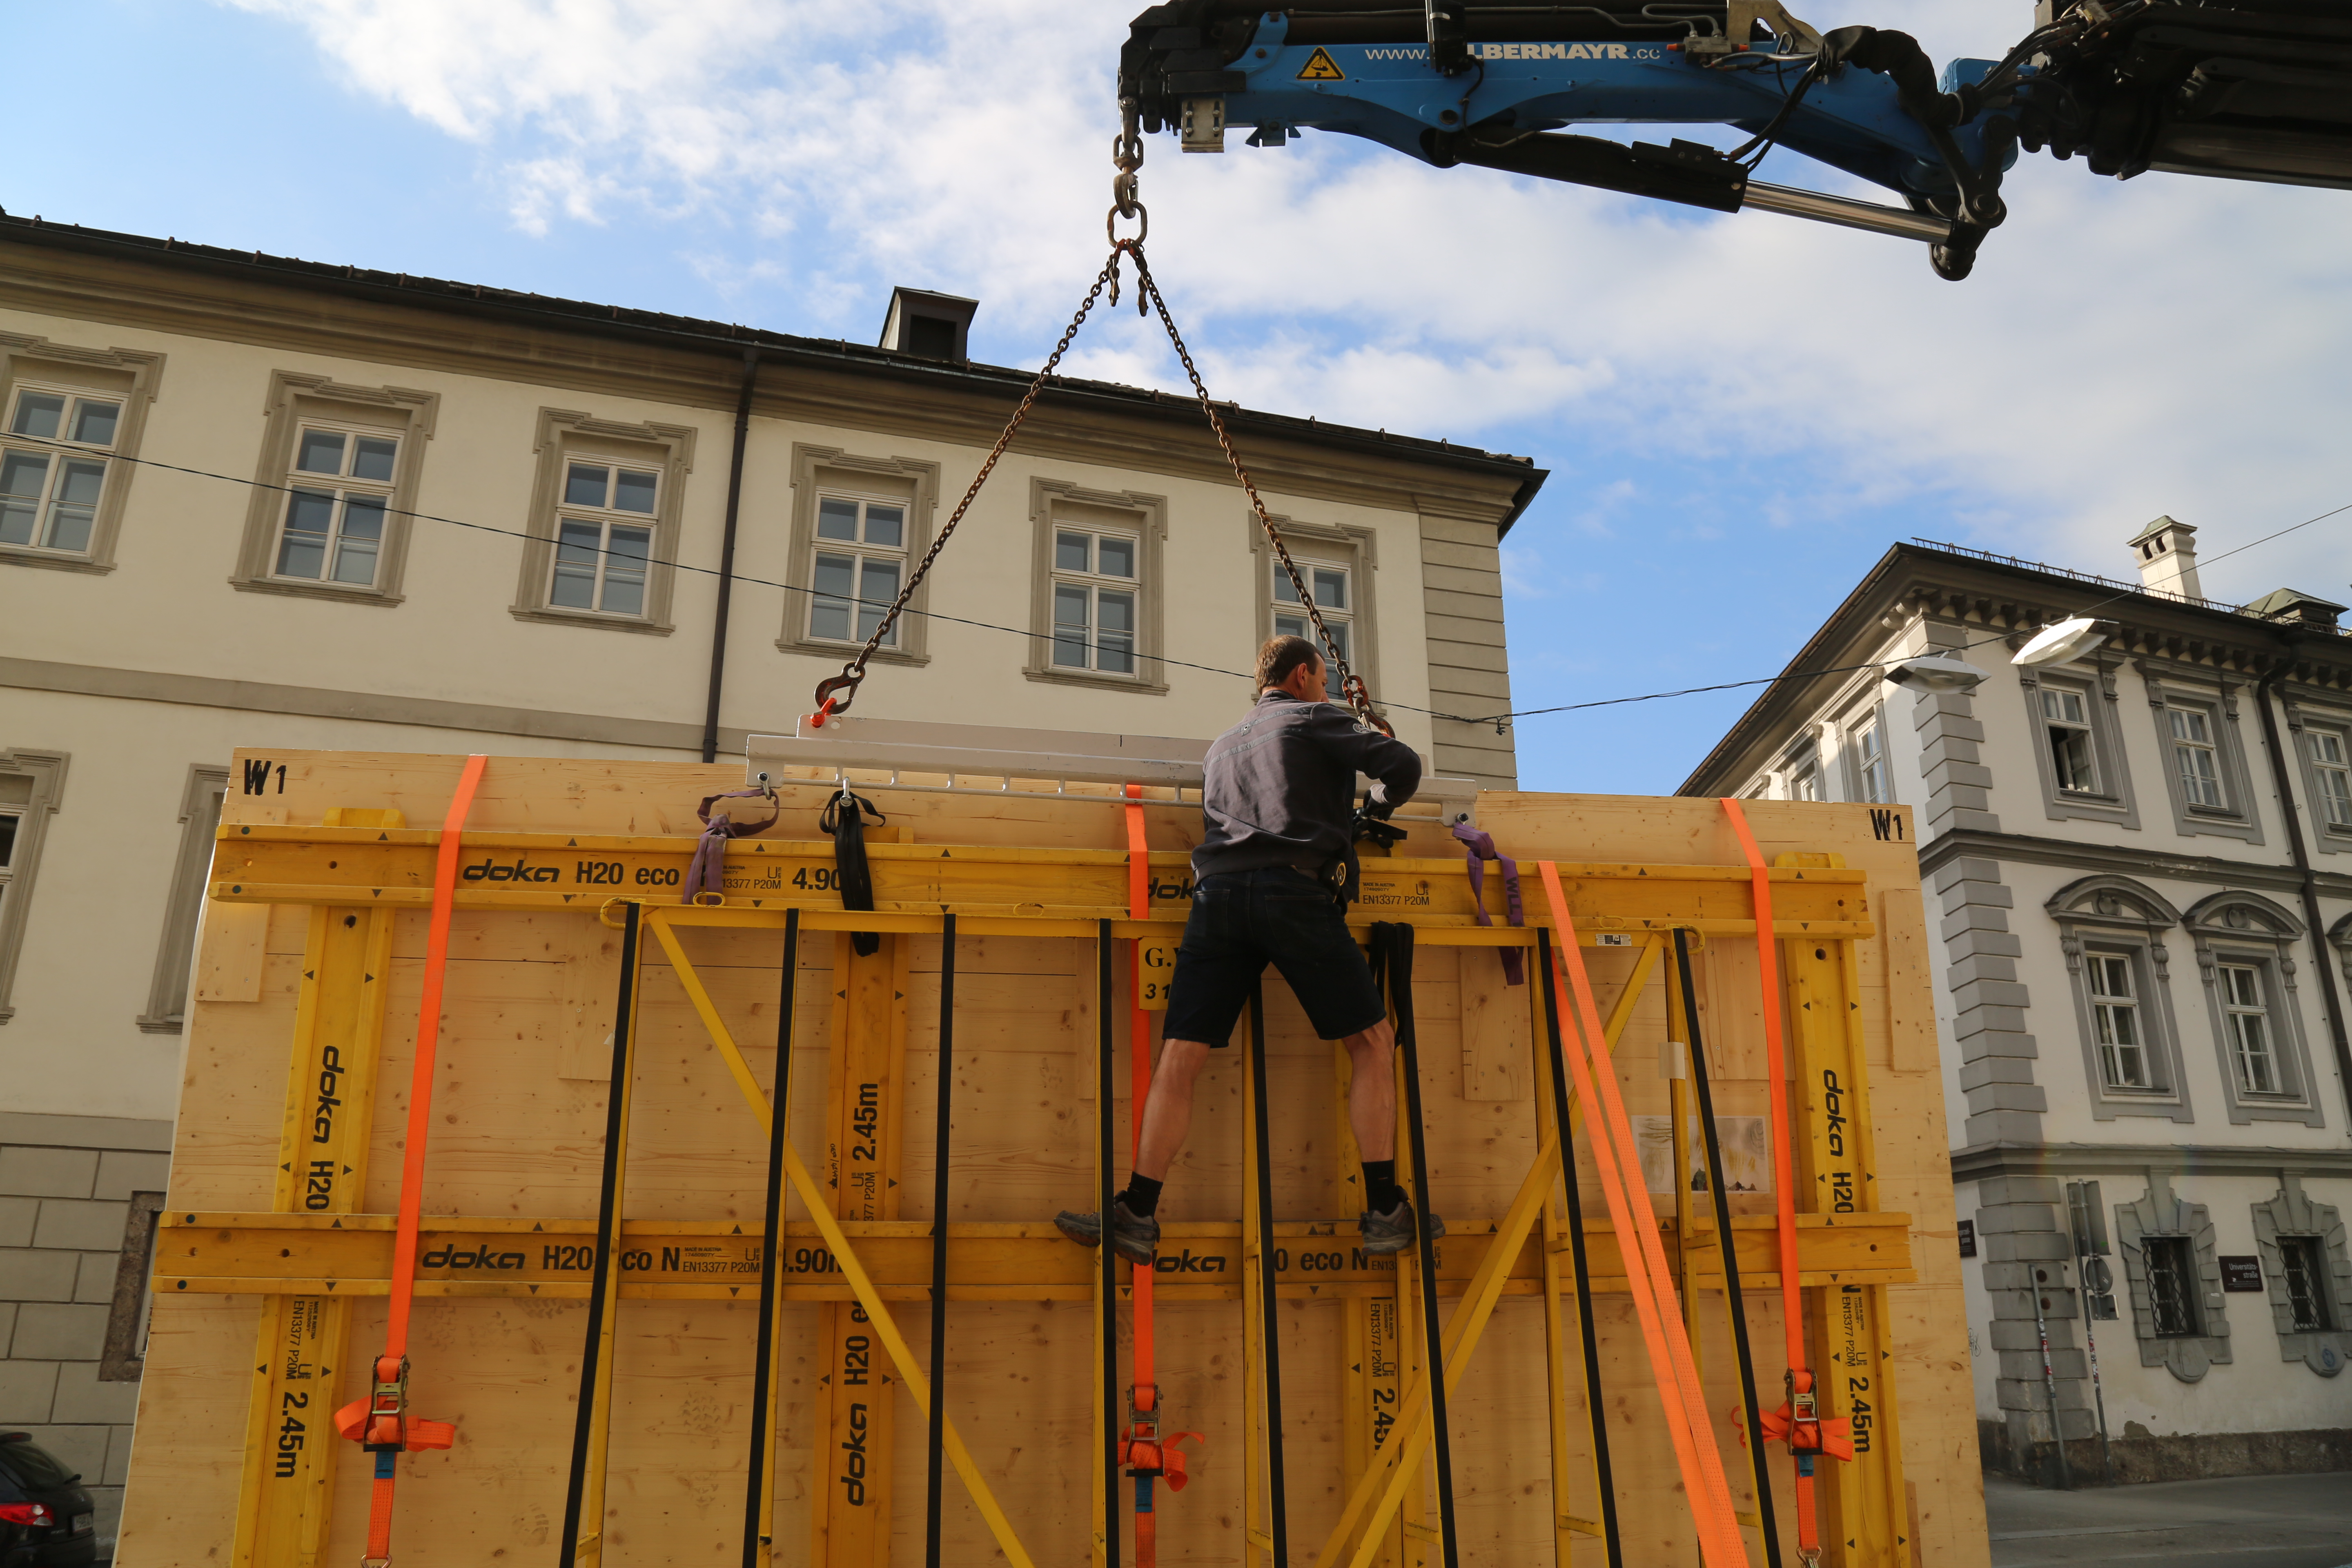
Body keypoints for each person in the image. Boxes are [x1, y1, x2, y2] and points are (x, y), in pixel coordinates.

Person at [1056, 634, 1443, 1265]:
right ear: (1300, 678)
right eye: (1323, 679)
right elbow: (1403, 767)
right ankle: (1384, 1209)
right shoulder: (1315, 716)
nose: (1327, 689)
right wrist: (1367, 811)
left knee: (1180, 1055)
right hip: (1294, 894)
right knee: (1372, 1044)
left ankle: (1137, 1211)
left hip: (1216, 902)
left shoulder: (1223, 746)